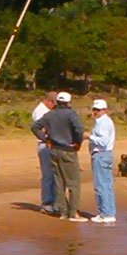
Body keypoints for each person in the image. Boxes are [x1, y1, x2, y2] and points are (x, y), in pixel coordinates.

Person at [30, 91, 86, 221]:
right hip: (68, 149)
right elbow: (79, 130)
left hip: (54, 150)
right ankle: (73, 213)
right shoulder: (70, 114)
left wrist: (45, 139)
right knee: (73, 182)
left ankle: (63, 212)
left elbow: (35, 126)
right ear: (68, 102)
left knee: (59, 182)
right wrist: (77, 143)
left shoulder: (49, 114)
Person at [86, 99, 116, 223]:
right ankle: (108, 212)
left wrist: (89, 136)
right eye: (94, 109)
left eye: (98, 110)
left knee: (101, 185)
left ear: (104, 110)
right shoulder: (102, 122)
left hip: (101, 155)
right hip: (104, 155)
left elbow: (103, 141)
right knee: (106, 185)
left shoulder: (103, 122)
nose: (95, 112)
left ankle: (105, 213)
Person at [32, 92, 58, 213]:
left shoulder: (47, 111)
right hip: (45, 145)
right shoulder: (40, 111)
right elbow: (40, 128)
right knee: (48, 175)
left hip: (51, 144)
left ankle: (54, 201)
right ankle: (47, 202)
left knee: (54, 174)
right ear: (49, 102)